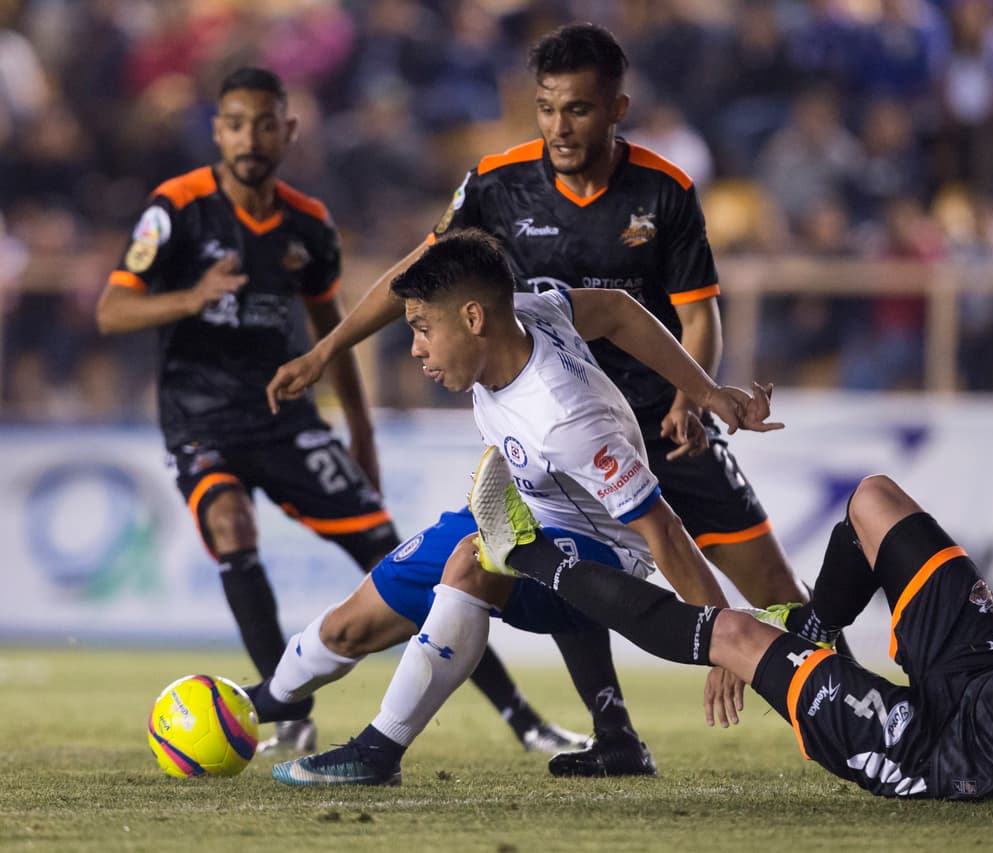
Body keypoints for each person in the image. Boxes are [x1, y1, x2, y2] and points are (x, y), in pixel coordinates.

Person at [265, 22, 813, 773]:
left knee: (768, 585)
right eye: (546, 108)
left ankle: (843, 711)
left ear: (617, 108)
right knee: (415, 587)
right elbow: (432, 275)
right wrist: (328, 349)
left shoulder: (663, 190)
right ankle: (268, 700)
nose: (559, 126)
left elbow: (689, 311)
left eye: (578, 110)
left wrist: (697, 391)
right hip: (543, 416)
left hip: (644, 420)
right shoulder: (503, 202)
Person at [94, 67, 583, 757]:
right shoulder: (174, 209)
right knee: (230, 523)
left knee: (409, 563)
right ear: (217, 130)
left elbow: (334, 330)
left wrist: (359, 429)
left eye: (265, 123)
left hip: (287, 419)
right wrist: (190, 297)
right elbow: (112, 309)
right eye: (235, 124)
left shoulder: (308, 224)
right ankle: (288, 711)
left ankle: (522, 717)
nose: (250, 138)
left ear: (288, 129)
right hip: (200, 418)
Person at [265, 228, 778, 787]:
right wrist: (705, 391)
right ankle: (258, 702)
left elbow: (664, 531)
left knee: (475, 557)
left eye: (421, 329)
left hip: (605, 557)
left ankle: (376, 752)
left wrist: (723, 638)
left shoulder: (566, 420)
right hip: (529, 506)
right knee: (350, 626)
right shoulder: (529, 312)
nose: (415, 349)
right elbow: (616, 309)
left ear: (473, 319)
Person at [471, 454, 993, 800]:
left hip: (949, 757)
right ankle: (817, 635)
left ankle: (527, 552)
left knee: (735, 636)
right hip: (991, 684)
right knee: (873, 500)